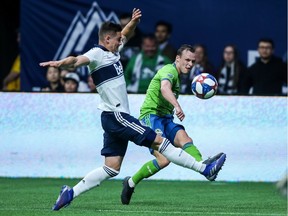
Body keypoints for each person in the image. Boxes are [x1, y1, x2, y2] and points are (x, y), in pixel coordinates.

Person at [40, 9, 225, 211]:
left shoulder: (114, 51)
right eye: (118, 39)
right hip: (117, 115)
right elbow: (76, 61)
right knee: (160, 142)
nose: (122, 41)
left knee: (111, 167)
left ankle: (71, 192)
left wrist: (134, 22)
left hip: (110, 117)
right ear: (107, 38)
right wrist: (60, 63)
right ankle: (204, 169)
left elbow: (126, 33)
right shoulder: (97, 54)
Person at [121, 44, 226, 205]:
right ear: (177, 58)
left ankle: (204, 166)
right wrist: (177, 106)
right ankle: (130, 182)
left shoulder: (178, 75)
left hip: (166, 118)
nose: (190, 64)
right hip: (151, 117)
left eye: (193, 61)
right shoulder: (168, 71)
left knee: (185, 138)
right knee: (163, 160)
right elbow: (164, 88)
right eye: (187, 60)